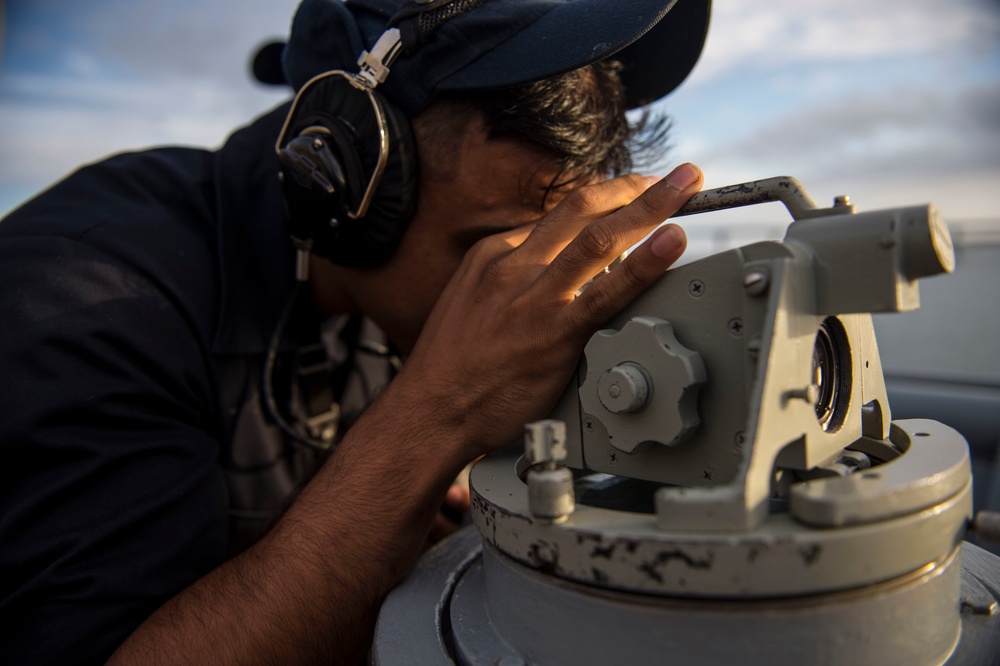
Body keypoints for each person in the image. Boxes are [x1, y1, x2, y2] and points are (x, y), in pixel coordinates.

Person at [0, 0, 711, 662]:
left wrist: (403, 508)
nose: (517, 293)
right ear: (345, 176)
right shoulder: (85, 300)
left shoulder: (370, 293)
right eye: (492, 252)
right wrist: (433, 419)